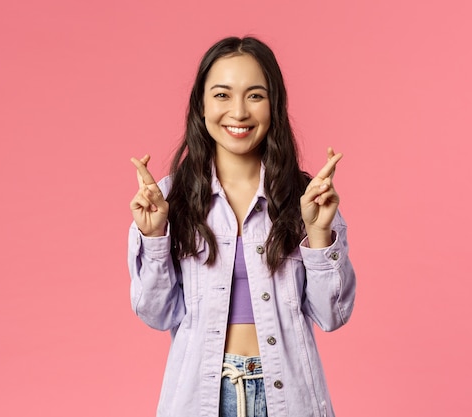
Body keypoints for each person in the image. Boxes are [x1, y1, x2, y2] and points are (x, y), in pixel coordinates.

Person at [128, 36, 356, 417]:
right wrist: (153, 237)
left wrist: (318, 236)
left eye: (254, 95)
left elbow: (332, 315)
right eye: (221, 95)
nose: (238, 111)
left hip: (288, 397)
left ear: (274, 105)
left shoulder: (306, 198)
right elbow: (157, 314)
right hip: (201, 398)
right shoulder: (170, 199)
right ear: (201, 105)